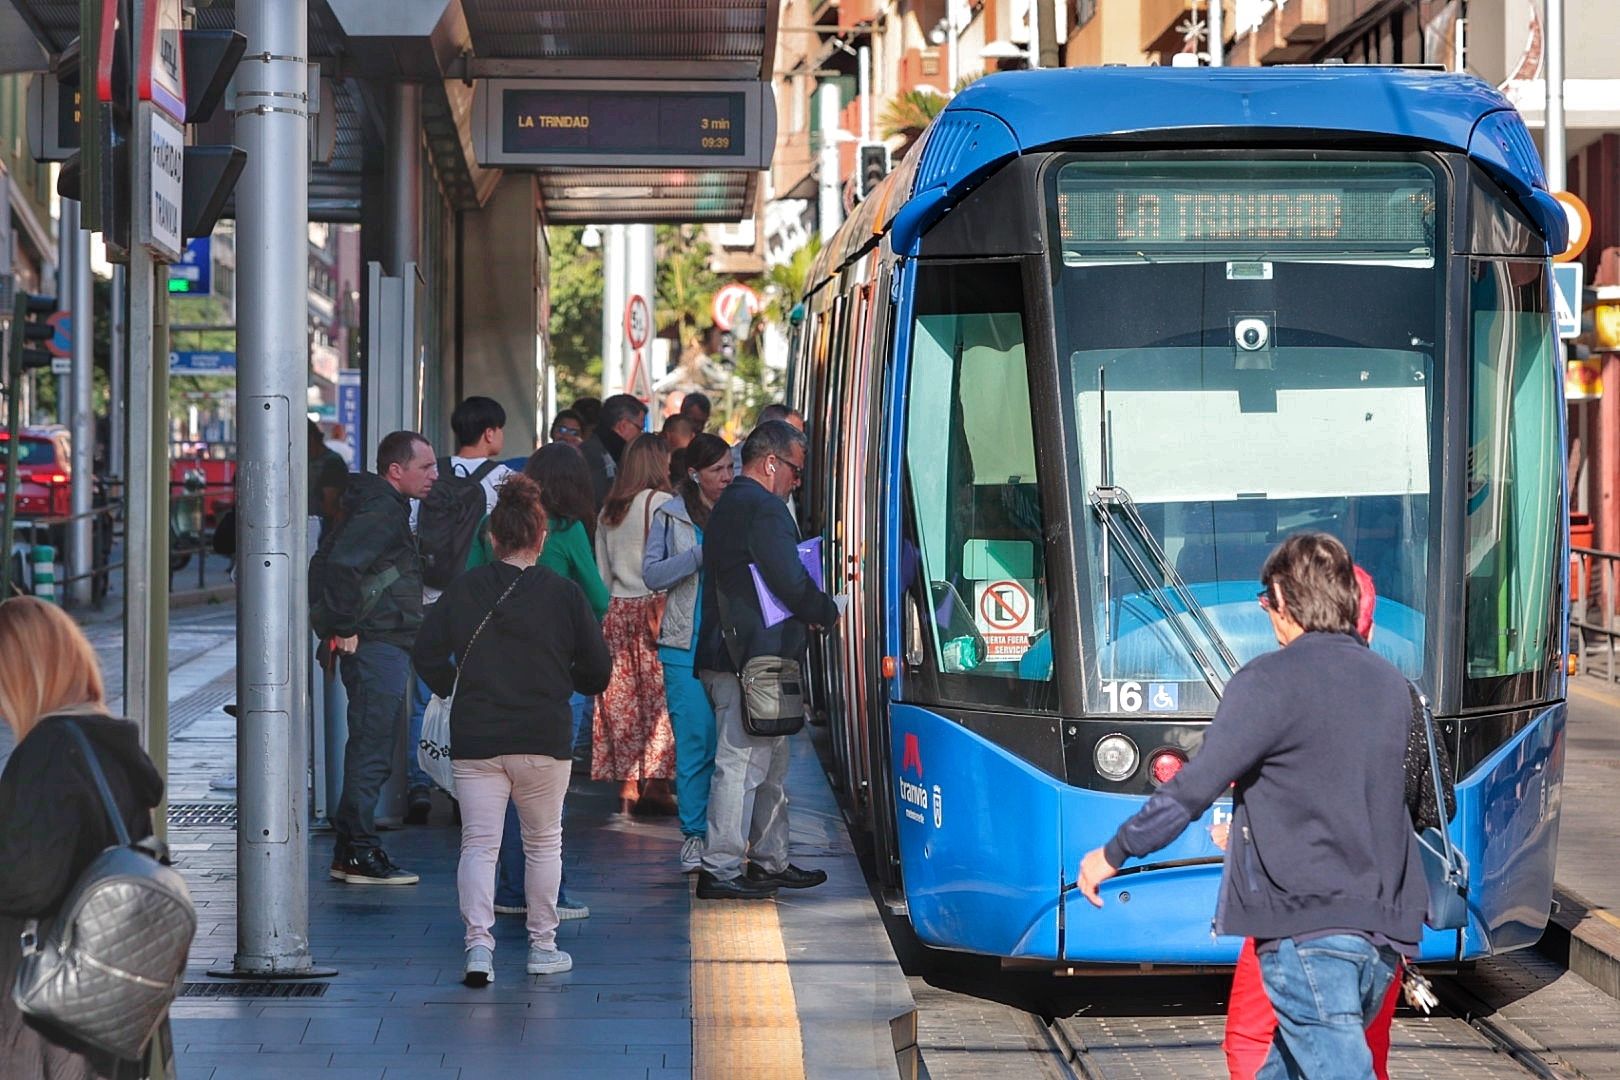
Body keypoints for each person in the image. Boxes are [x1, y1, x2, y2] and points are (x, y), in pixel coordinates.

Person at [1078, 532, 1427, 1080]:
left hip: (1307, 928)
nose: (1268, 614)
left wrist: (1114, 853)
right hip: (1384, 938)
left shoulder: (1267, 681)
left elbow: (1193, 789)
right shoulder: (1393, 685)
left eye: (1267, 602)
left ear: (1285, 601)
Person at [413, 475, 612, 986]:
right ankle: (542, 946)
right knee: (544, 843)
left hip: (477, 735)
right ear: (541, 538)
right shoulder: (564, 594)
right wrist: (565, 680)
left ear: (492, 537)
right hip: (543, 735)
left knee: (479, 844)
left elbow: (427, 652)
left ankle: (479, 948)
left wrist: (452, 685)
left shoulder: (465, 589)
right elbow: (597, 670)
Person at [0, 598, 168, 1079]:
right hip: (99, 1004)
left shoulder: (50, 750)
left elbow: (27, 880)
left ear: (24, 672)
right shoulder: (101, 741)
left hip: (40, 1011)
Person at [694, 420, 838, 900]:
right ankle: (720, 867)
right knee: (739, 765)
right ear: (771, 461)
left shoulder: (733, 503)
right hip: (745, 659)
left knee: (770, 760)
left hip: (743, 655)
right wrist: (826, 609)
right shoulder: (762, 509)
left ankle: (769, 860)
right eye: (796, 470)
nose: (798, 481)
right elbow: (789, 580)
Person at [468, 441, 609, 921]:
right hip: (553, 675)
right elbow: (599, 598)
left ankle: (507, 889)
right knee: (546, 797)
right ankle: (548, 897)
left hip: (491, 674)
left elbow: (468, 585)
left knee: (497, 792)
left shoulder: (491, 529)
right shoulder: (565, 533)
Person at [318, 430, 438, 884]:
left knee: (370, 747)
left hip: (380, 640)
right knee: (370, 750)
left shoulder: (382, 506)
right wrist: (345, 626)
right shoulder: (382, 511)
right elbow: (343, 566)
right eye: (424, 467)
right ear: (396, 470)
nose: (433, 475)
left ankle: (350, 850)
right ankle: (360, 852)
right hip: (376, 642)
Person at [405, 398, 515, 823]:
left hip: (429, 600)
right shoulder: (505, 480)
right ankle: (460, 790)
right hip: (478, 604)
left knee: (426, 697)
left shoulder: (433, 474)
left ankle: (419, 782)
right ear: (489, 432)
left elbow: (413, 531)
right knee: (470, 695)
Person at [643, 433, 733, 873]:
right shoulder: (669, 515)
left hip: (734, 646)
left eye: (731, 468)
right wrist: (699, 555)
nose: (727, 477)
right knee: (696, 743)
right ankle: (694, 836)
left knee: (731, 748)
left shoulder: (742, 511)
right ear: (695, 474)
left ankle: (729, 837)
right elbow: (652, 575)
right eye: (718, 470)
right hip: (683, 645)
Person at [594, 433, 678, 815]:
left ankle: (627, 784)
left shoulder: (610, 509)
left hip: (617, 610)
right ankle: (657, 784)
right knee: (660, 701)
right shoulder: (663, 504)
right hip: (653, 611)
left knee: (621, 702)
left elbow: (601, 571)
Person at [580, 393, 648, 510]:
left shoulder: (598, 449)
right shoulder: (593, 455)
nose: (640, 435)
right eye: (639, 429)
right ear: (623, 425)